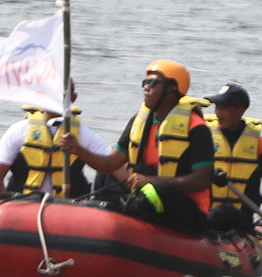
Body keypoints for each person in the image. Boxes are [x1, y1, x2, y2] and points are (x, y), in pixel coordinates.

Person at [66, 60, 215, 234]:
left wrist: (151, 181)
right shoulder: (139, 121)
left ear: (171, 89)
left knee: (156, 191)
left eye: (153, 83)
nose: (146, 87)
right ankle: (107, 219)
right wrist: (78, 149)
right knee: (106, 177)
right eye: (145, 82)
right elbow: (110, 163)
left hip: (185, 206)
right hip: (147, 193)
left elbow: (201, 180)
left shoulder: (196, 128)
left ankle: (128, 218)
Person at [0, 84, 110, 200]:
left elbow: (112, 164)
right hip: (23, 203)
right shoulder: (19, 131)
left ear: (73, 98)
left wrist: (79, 150)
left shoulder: (83, 134)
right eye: (49, 93)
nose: (54, 98)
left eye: (60, 94)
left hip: (68, 206)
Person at [203, 84, 262, 236]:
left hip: (240, 218)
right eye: (217, 107)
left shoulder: (257, 144)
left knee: (225, 213)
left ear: (240, 110)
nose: (218, 113)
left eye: (224, 108)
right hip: (207, 214)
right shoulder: (204, 135)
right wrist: (209, 174)